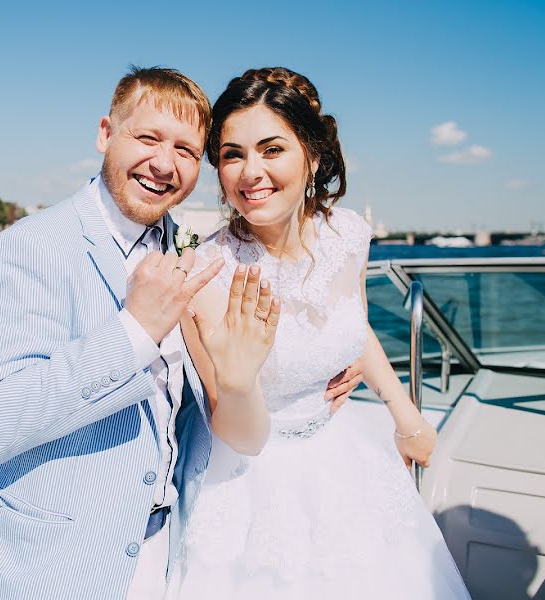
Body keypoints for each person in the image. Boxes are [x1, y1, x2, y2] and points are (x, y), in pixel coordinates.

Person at [0, 66, 363, 600]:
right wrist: (134, 331)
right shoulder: (32, 248)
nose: (163, 164)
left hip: (171, 549)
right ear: (107, 134)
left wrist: (325, 360)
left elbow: (200, 396)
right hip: (60, 568)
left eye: (187, 151)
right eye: (147, 138)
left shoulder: (189, 253)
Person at [170, 67, 471, 599]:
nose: (250, 172)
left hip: (343, 455)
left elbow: (355, 325)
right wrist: (240, 380)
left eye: (271, 149)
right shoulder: (207, 272)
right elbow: (237, 432)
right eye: (232, 154)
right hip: (247, 482)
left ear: (312, 155)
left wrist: (405, 416)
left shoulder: (349, 234)